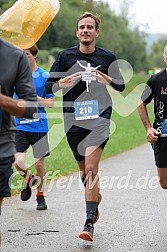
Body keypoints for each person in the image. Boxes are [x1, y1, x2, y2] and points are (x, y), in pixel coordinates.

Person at [45, 12, 125, 241]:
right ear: (77, 32)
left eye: (90, 27)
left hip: (99, 117)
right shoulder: (65, 56)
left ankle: (88, 223)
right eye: (82, 27)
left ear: (97, 32)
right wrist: (61, 82)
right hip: (73, 120)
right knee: (85, 172)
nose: (85, 30)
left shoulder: (108, 57)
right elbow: (48, 88)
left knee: (91, 169)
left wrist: (107, 79)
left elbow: (121, 86)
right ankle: (94, 200)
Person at [14, 44, 54, 210]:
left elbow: (51, 103)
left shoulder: (45, 76)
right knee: (18, 162)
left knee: (39, 165)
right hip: (20, 126)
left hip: (39, 127)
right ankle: (29, 180)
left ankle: (40, 196)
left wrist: (35, 98)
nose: (24, 57)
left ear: (34, 55)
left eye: (27, 54)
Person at [0, 38, 37, 215]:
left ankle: (40, 192)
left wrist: (1, 99)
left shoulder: (13, 56)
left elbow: (32, 107)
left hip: (4, 140)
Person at [138, 44, 167, 191]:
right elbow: (141, 103)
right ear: (164, 57)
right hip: (162, 133)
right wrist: (149, 128)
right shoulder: (155, 80)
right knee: (164, 183)